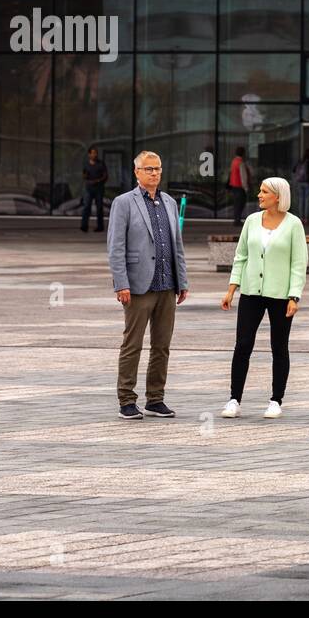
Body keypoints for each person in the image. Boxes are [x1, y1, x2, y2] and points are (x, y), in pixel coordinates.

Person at [107, 151, 189, 420]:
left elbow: (177, 245)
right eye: (148, 169)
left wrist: (182, 281)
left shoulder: (169, 202)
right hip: (138, 286)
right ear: (137, 173)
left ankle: (156, 398)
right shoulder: (124, 203)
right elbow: (116, 247)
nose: (154, 173)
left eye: (158, 169)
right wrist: (121, 283)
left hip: (166, 285)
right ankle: (127, 400)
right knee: (132, 344)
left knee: (162, 345)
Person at [220, 177, 308, 420]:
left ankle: (276, 400)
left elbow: (299, 264)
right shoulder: (251, 221)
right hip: (251, 292)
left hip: (281, 295)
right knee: (243, 345)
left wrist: (294, 296)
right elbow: (241, 256)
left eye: (264, 191)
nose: (259, 195)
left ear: (278, 196)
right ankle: (234, 399)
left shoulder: (294, 225)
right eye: (259, 191)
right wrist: (231, 289)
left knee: (279, 347)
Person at [80, 146, 109, 232]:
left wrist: (98, 181)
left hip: (99, 189)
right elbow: (84, 175)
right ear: (89, 154)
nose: (94, 155)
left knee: (99, 207)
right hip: (89, 189)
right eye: (92, 153)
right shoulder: (86, 164)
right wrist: (86, 178)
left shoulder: (101, 164)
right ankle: (84, 226)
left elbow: (105, 176)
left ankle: (100, 227)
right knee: (86, 207)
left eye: (96, 153)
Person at [292, 149, 309, 222]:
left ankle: (300, 217)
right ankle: (306, 218)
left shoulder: (300, 161)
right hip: (307, 182)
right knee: (307, 201)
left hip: (299, 182)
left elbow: (293, 170)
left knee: (301, 200)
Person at [228, 147, 250, 226]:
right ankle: (237, 220)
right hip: (240, 186)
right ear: (243, 153)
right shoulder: (241, 163)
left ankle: (236, 219)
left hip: (234, 185)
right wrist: (246, 187)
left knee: (236, 203)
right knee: (240, 203)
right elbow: (243, 176)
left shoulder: (234, 161)